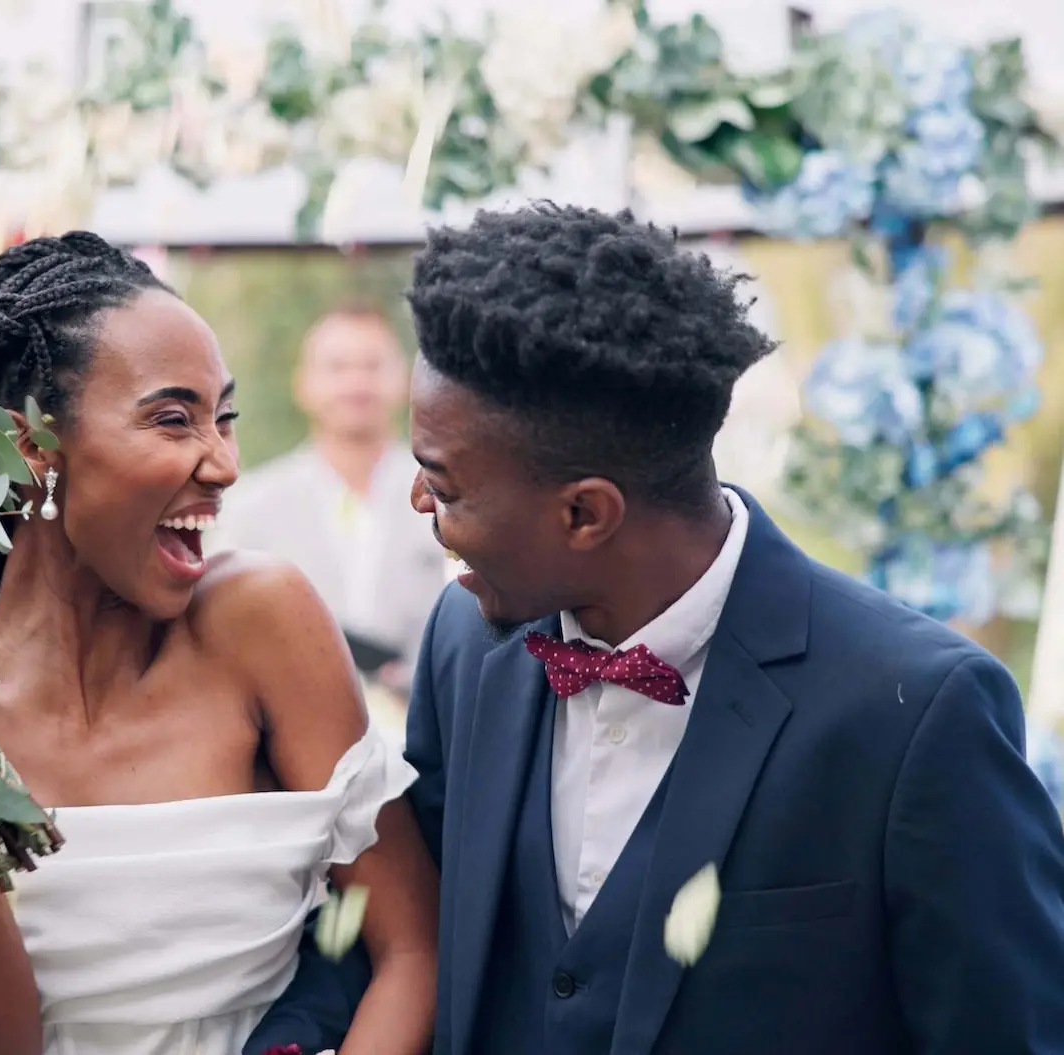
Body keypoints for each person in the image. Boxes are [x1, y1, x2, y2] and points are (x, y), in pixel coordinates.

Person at [272, 202, 1064, 1053]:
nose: (419, 501)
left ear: (585, 512)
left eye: (446, 484)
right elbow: (401, 921)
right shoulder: (465, 644)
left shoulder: (914, 708)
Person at [0, 232, 438, 1055]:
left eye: (225, 420)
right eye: (174, 418)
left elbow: (410, 947)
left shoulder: (262, 620)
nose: (224, 463)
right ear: (31, 444)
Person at [207, 306, 449, 697]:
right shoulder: (251, 506)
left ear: (404, 380)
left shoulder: (446, 495)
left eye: (372, 366)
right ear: (303, 384)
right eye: (337, 367)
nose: (356, 383)